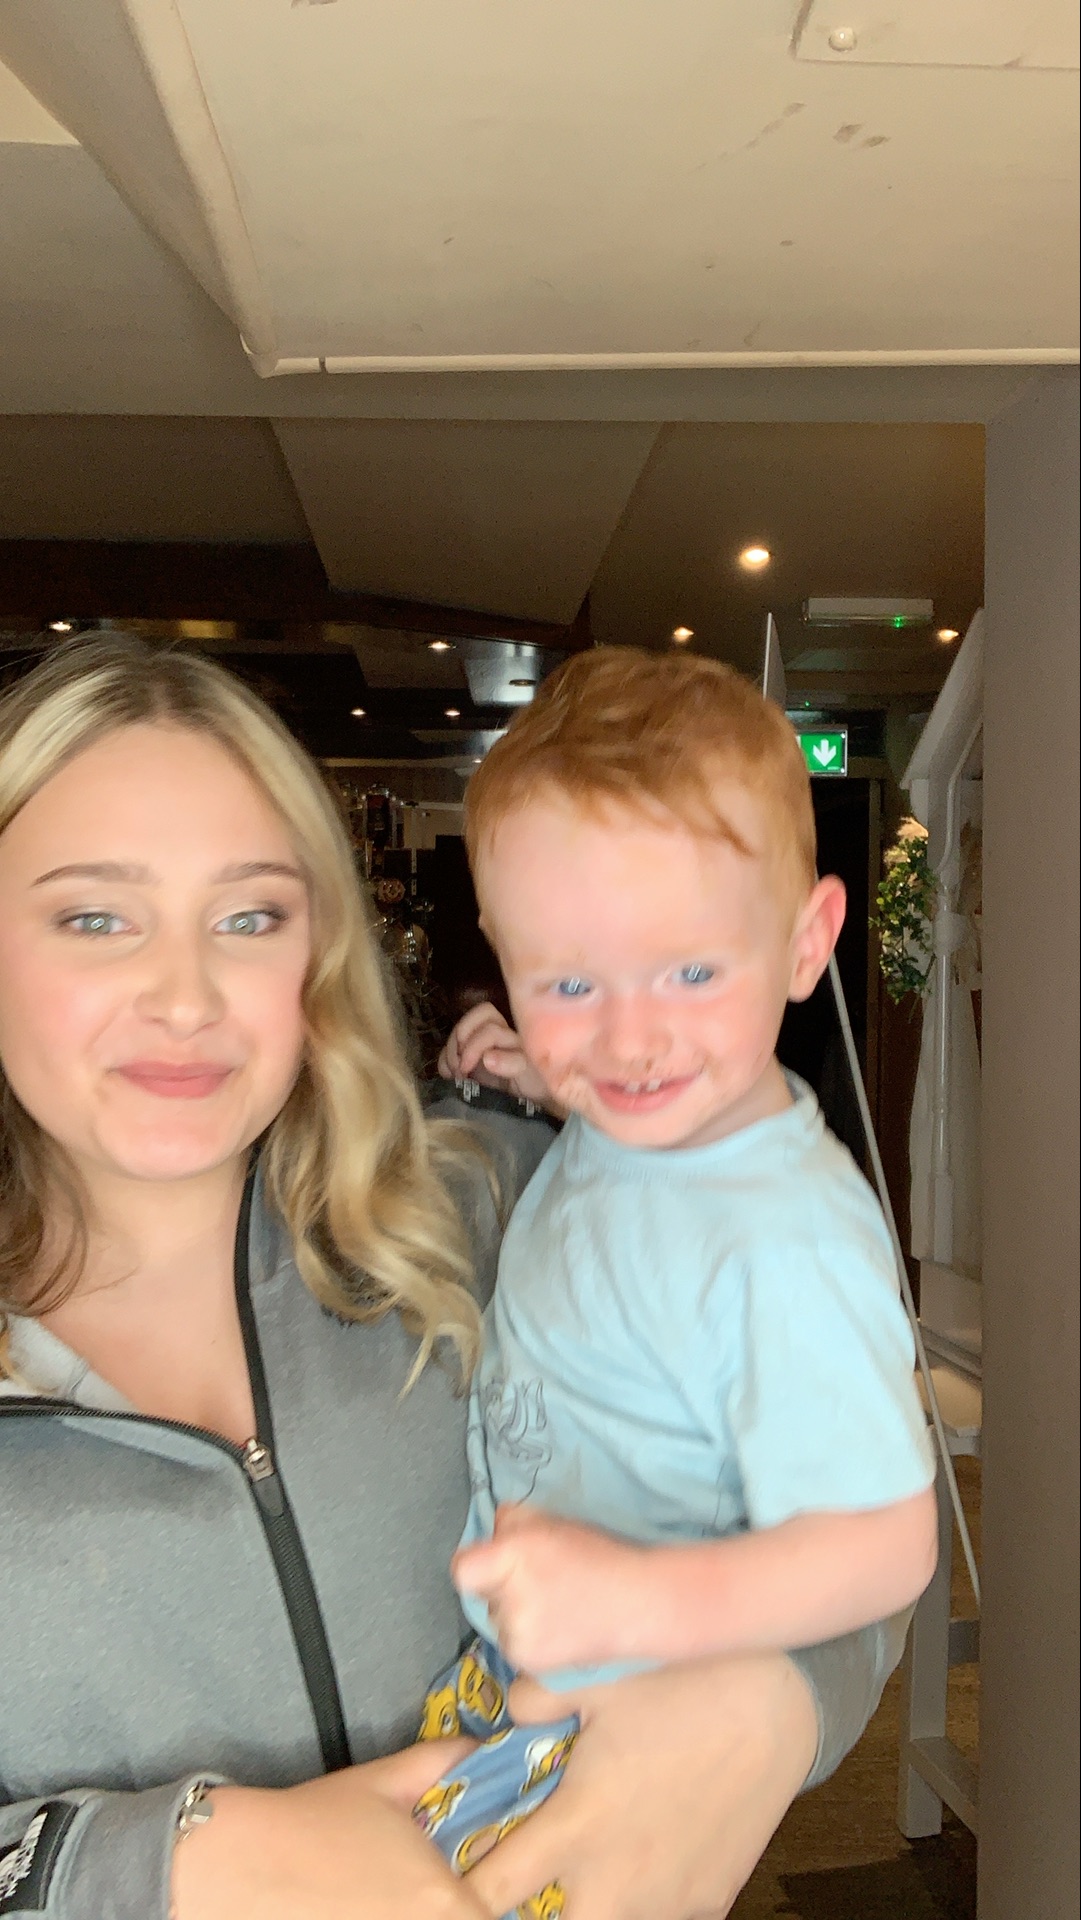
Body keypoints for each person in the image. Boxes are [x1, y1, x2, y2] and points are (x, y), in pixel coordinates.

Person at [0, 635, 904, 1920]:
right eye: (94, 917)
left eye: (250, 916)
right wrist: (152, 1867)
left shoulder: (506, 1199)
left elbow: (848, 1492)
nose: (184, 997)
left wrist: (771, 1704)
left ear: (317, 952)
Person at [428, 646, 936, 1909]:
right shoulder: (657, 1114)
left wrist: (636, 1600)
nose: (630, 1037)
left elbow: (887, 1548)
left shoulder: (783, 1240)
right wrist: (546, 1080)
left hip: (635, 1729)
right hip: (524, 1686)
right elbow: (629, 1099)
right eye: (568, 983)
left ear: (806, 943)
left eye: (692, 972)